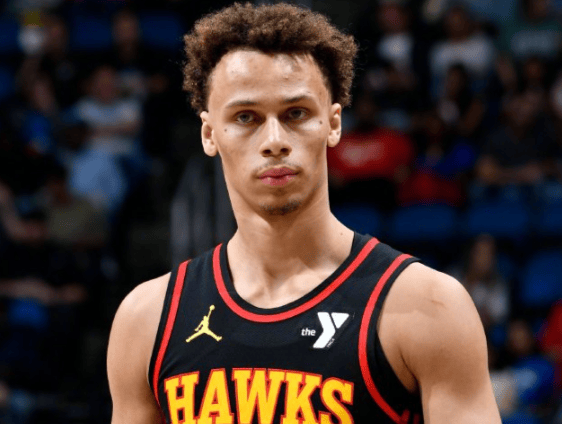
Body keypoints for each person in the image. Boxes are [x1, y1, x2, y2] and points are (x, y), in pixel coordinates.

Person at [107, 3, 501, 423]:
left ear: (333, 123)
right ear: (209, 134)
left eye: (296, 113)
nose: (274, 140)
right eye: (246, 117)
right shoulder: (146, 318)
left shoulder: (428, 306)